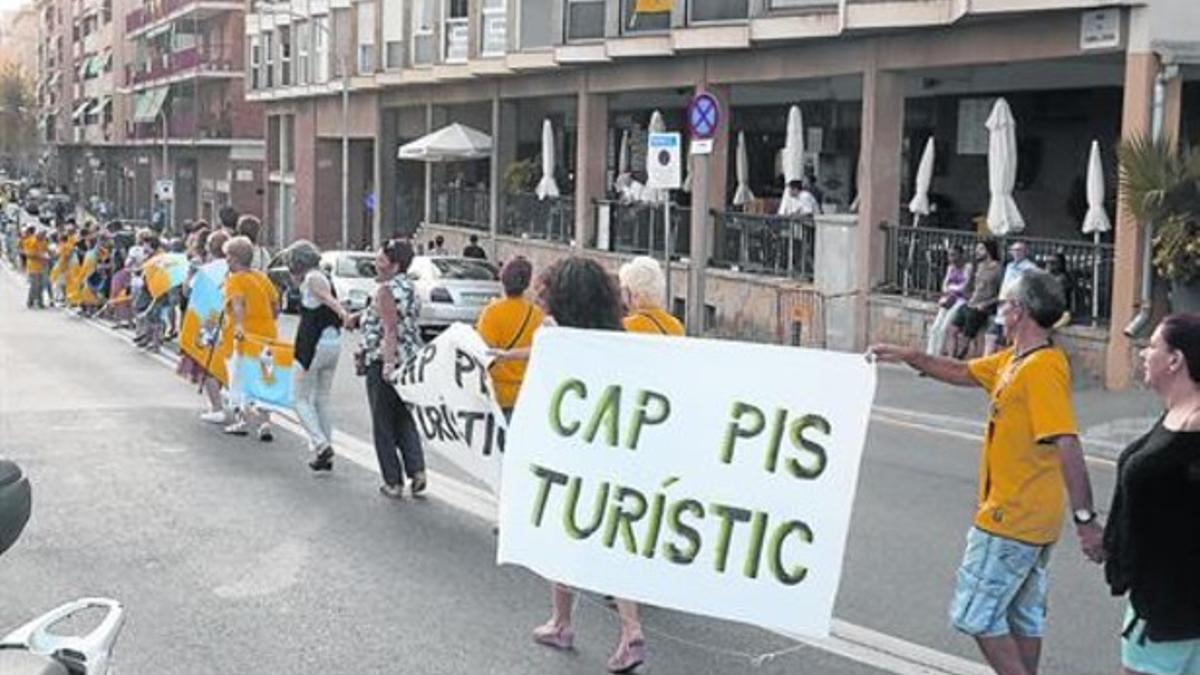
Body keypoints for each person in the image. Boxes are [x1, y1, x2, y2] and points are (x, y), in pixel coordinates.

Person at [871, 269, 1104, 675]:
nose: (1001, 310)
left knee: (974, 614)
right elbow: (963, 372)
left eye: (1007, 303)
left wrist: (1085, 520)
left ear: (1023, 312)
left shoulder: (1042, 368)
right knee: (1021, 615)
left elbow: (1066, 440)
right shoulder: (1016, 359)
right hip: (1028, 521)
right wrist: (912, 356)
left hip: (1010, 518)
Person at [528, 256, 651, 673]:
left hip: (571, 447)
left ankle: (561, 622)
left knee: (564, 533)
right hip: (616, 447)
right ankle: (630, 629)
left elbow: (544, 387)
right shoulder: (619, 336)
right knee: (615, 537)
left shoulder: (553, 334)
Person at [1103, 313, 1200, 675]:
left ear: (1175, 360)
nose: (1144, 353)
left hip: (1178, 609)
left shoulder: (1195, 423)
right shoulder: (1176, 413)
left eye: (1153, 346)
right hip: (1153, 596)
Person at [348, 239, 426, 498]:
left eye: (381, 261)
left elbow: (390, 328)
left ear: (395, 266)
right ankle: (417, 470)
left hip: (386, 361)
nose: (376, 264)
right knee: (404, 417)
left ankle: (393, 481)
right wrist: (359, 317)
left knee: (382, 422)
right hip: (411, 360)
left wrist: (387, 364)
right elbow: (389, 317)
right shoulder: (411, 287)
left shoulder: (385, 290)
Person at [284, 239, 348, 472]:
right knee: (321, 399)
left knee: (298, 398)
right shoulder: (324, 276)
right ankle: (325, 450)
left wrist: (343, 313)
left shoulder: (312, 279)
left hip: (312, 346)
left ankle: (320, 445)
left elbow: (327, 299)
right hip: (333, 344)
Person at [221, 235, 280, 441]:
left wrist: (238, 325)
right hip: (267, 335)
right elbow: (275, 305)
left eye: (227, 257)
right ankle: (265, 422)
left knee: (240, 379)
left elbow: (238, 304)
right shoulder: (262, 278)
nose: (226, 261)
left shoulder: (235, 280)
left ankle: (242, 420)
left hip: (245, 337)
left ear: (235, 259)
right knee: (264, 377)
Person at [475, 257, 543, 418]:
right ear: (527, 284)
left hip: (496, 393)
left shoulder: (491, 313)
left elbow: (482, 353)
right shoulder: (537, 314)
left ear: (503, 280)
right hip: (525, 392)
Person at [949, 239, 1002, 359]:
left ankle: (959, 357)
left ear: (988, 251)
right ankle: (951, 357)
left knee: (967, 335)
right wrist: (968, 295)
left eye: (980, 249)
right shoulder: (978, 266)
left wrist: (987, 303)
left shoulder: (997, 269)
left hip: (982, 307)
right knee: (952, 329)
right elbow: (971, 285)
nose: (977, 252)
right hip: (971, 303)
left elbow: (1001, 293)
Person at [986, 240, 1037, 355]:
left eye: (1020, 250)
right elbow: (1005, 284)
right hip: (1003, 305)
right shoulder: (1009, 266)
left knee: (1006, 339)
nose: (1017, 253)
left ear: (1026, 252)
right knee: (991, 335)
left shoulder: (1030, 268)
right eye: (1014, 250)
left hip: (1015, 306)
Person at [926, 245, 972, 357]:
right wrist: (949, 290)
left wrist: (952, 289)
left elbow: (965, 285)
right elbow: (944, 284)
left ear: (961, 255)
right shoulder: (950, 268)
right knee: (935, 327)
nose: (951, 258)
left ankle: (937, 357)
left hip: (960, 299)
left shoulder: (967, 267)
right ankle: (930, 354)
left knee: (944, 328)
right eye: (950, 255)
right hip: (949, 298)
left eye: (954, 255)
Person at [20, 227, 49, 309]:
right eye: (42, 235)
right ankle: (31, 301)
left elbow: (46, 250)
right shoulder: (30, 241)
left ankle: (40, 302)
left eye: (44, 235)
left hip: (42, 266)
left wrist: (48, 255)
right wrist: (39, 256)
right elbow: (28, 254)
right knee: (34, 285)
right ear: (38, 234)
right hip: (33, 267)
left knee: (41, 285)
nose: (43, 236)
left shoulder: (43, 242)